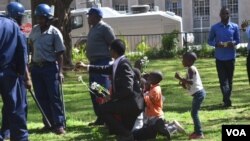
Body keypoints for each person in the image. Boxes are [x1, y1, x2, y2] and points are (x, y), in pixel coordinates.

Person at [76, 39, 144, 141]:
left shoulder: (123, 64)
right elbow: (104, 68)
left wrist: (111, 97)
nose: (109, 51)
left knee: (102, 109)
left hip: (132, 103)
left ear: (114, 51)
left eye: (110, 49)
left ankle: (126, 134)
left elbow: (128, 89)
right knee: (106, 108)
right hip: (127, 101)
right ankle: (122, 132)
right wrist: (86, 67)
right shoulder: (118, 63)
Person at [29, 4, 66, 134]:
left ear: (48, 18)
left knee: (54, 97)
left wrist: (60, 72)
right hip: (36, 69)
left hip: (50, 68)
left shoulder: (55, 32)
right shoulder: (34, 30)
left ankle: (59, 124)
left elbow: (60, 53)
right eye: (38, 18)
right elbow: (31, 46)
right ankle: (48, 123)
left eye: (42, 18)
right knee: (41, 97)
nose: (40, 20)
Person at [0, 2, 32, 140]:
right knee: (15, 107)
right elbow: (21, 52)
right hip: (8, 73)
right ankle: (19, 137)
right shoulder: (13, 27)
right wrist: (21, 73)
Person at [86, 7, 116, 126]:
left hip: (102, 63)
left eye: (90, 15)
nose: (88, 18)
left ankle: (108, 117)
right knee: (93, 90)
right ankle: (100, 117)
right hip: (93, 64)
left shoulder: (105, 28)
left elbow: (113, 45)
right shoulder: (93, 28)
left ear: (97, 16)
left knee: (101, 90)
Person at [208, 7, 240, 107]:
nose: (224, 16)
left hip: (231, 58)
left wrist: (233, 43)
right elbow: (209, 41)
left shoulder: (234, 26)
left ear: (229, 15)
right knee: (222, 80)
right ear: (220, 15)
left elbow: (238, 40)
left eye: (226, 14)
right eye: (222, 14)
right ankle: (227, 101)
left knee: (229, 81)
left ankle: (226, 100)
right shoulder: (215, 27)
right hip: (220, 58)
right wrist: (216, 44)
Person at [175, 52, 206, 140]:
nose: (182, 61)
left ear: (190, 61)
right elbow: (188, 84)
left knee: (194, 113)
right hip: (198, 94)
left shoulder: (191, 69)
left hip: (199, 94)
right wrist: (182, 84)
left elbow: (191, 82)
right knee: (194, 113)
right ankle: (197, 131)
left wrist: (179, 78)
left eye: (184, 60)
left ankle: (199, 133)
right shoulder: (189, 69)